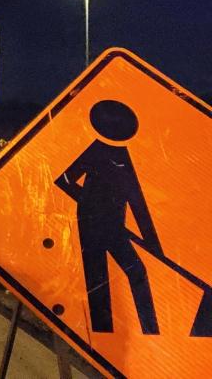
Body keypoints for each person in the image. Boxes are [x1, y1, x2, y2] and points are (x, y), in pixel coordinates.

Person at [55, 100, 160, 335]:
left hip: (113, 225)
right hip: (91, 223)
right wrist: (87, 201)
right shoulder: (96, 150)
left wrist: (152, 242)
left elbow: (136, 199)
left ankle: (150, 330)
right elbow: (64, 180)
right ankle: (103, 333)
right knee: (97, 276)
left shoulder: (123, 155)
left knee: (136, 271)